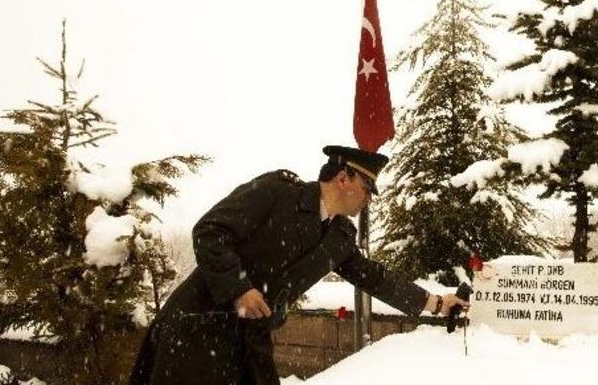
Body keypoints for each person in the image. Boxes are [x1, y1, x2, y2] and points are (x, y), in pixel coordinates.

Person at [129, 145, 469, 385]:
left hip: (250, 341)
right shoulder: (277, 193)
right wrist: (239, 289)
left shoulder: (338, 237)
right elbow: (210, 231)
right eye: (367, 188)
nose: (369, 199)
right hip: (200, 328)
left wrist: (437, 304)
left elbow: (375, 278)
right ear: (343, 178)